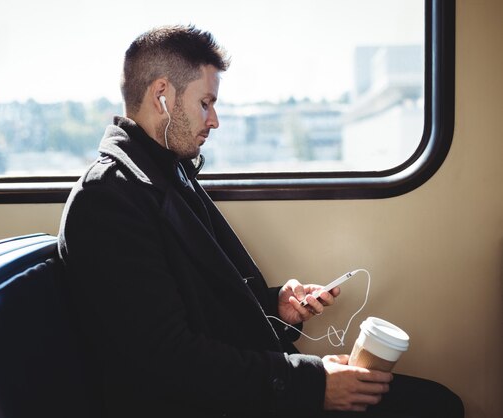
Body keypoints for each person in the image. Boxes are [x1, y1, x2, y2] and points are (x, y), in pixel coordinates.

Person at [58, 24, 463, 418]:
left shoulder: (168, 176)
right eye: (205, 103)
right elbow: (168, 358)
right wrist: (314, 384)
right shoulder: (108, 199)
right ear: (162, 94)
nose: (213, 120)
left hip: (235, 387)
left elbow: (198, 309)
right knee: (435, 407)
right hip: (197, 404)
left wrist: (274, 307)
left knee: (432, 400)